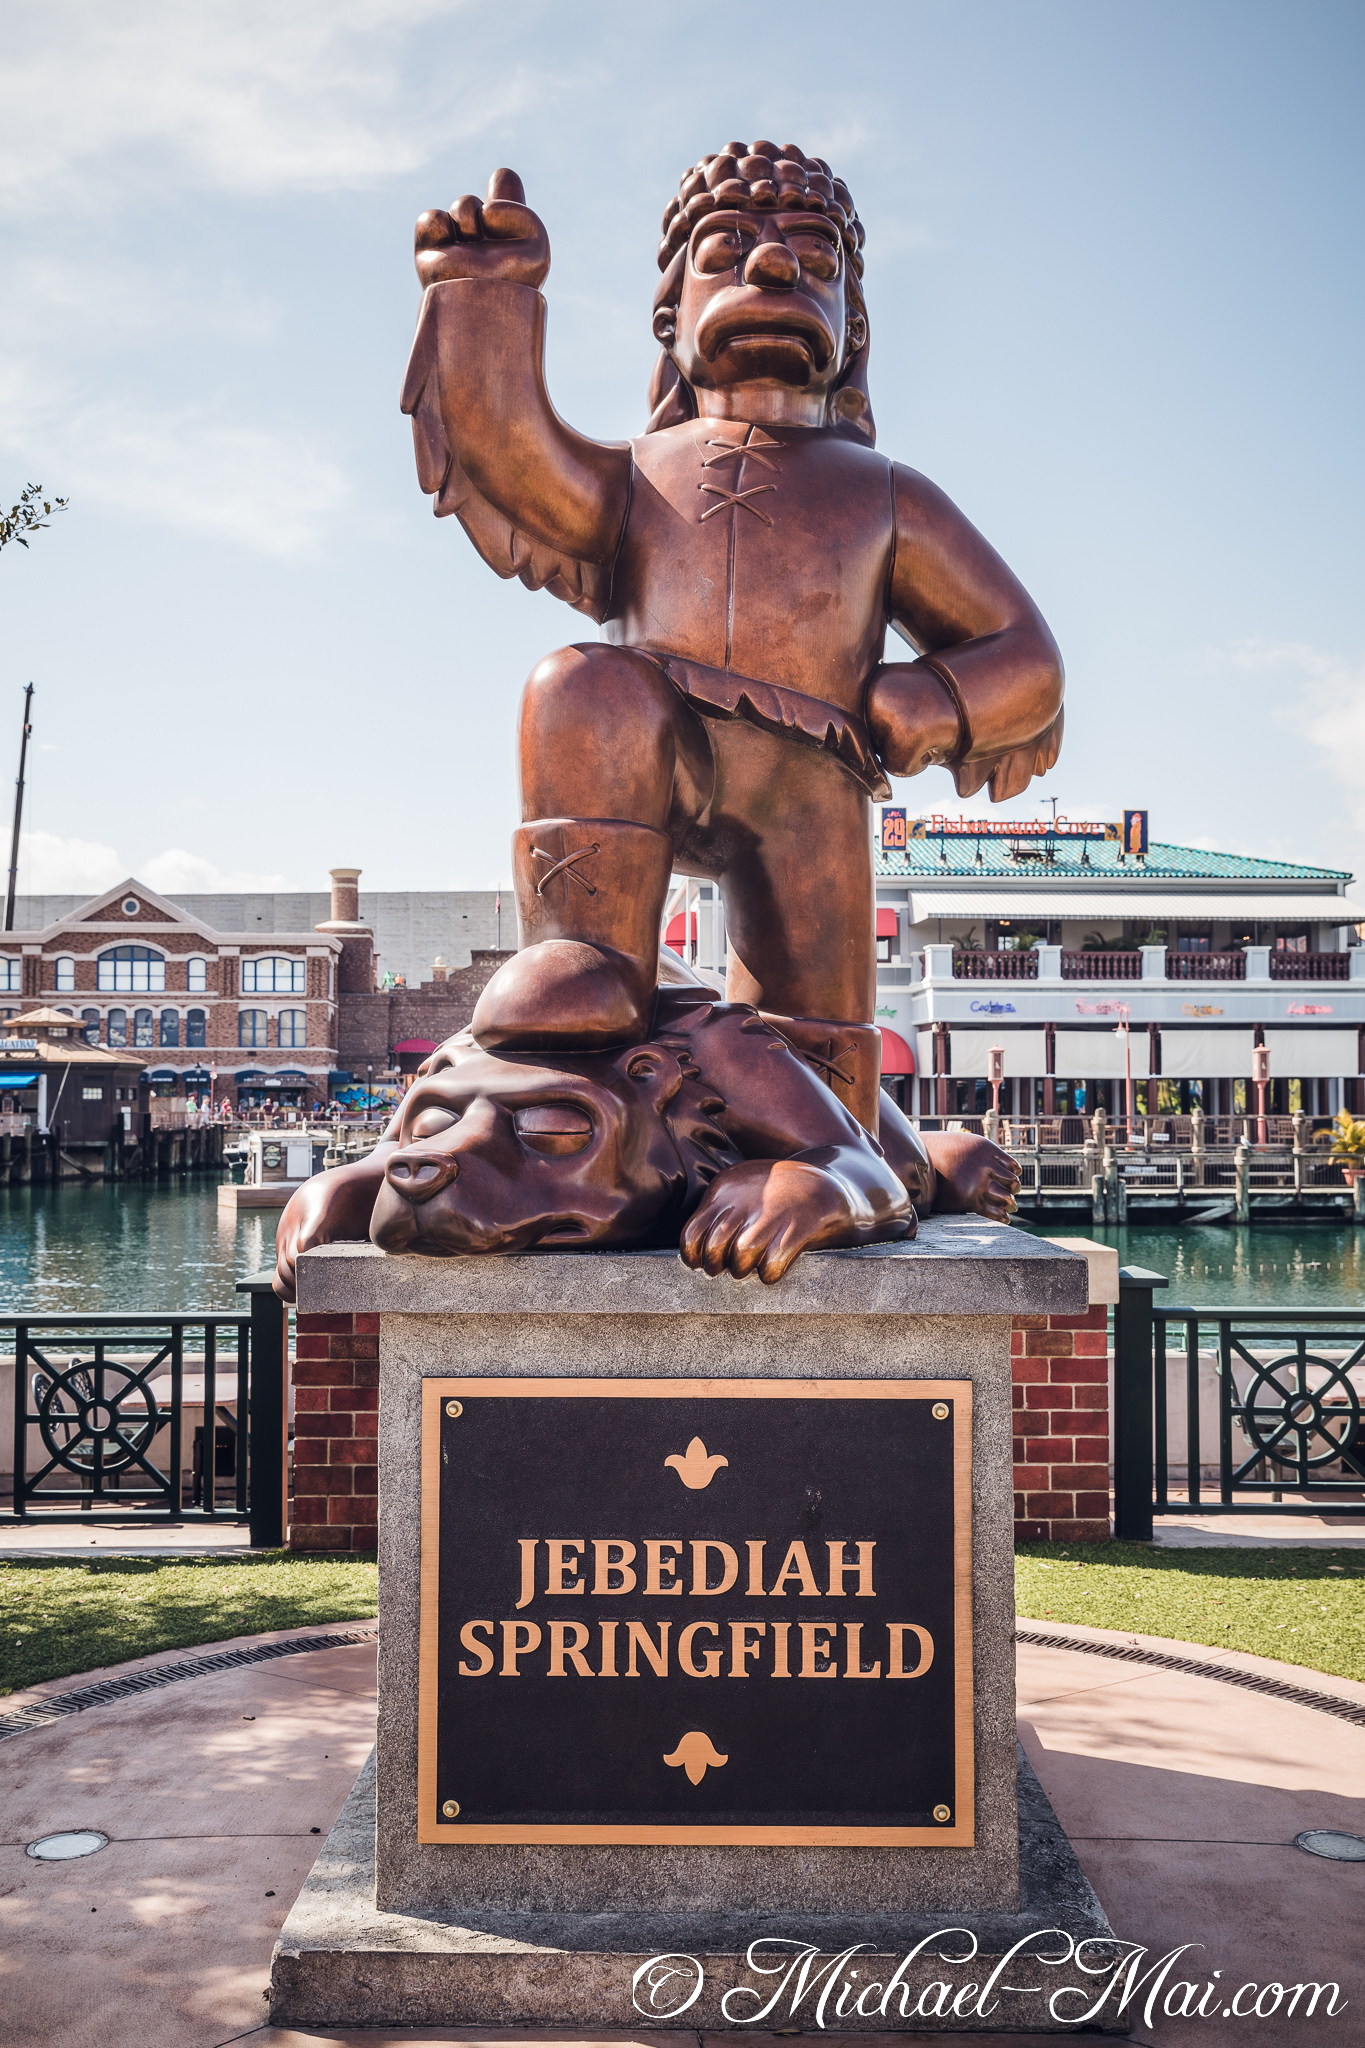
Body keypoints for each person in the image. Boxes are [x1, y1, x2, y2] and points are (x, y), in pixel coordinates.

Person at [403, 142, 1062, 1132]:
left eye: (815, 259)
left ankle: (856, 1147)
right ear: (669, 319)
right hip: (649, 738)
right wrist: (481, 300)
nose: (771, 269)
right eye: (726, 249)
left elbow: (1026, 652)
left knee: (815, 1049)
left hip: (813, 780)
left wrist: (933, 698)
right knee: (577, 686)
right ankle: (581, 960)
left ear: (854, 328)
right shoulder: (637, 474)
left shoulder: (884, 495)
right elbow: (512, 462)